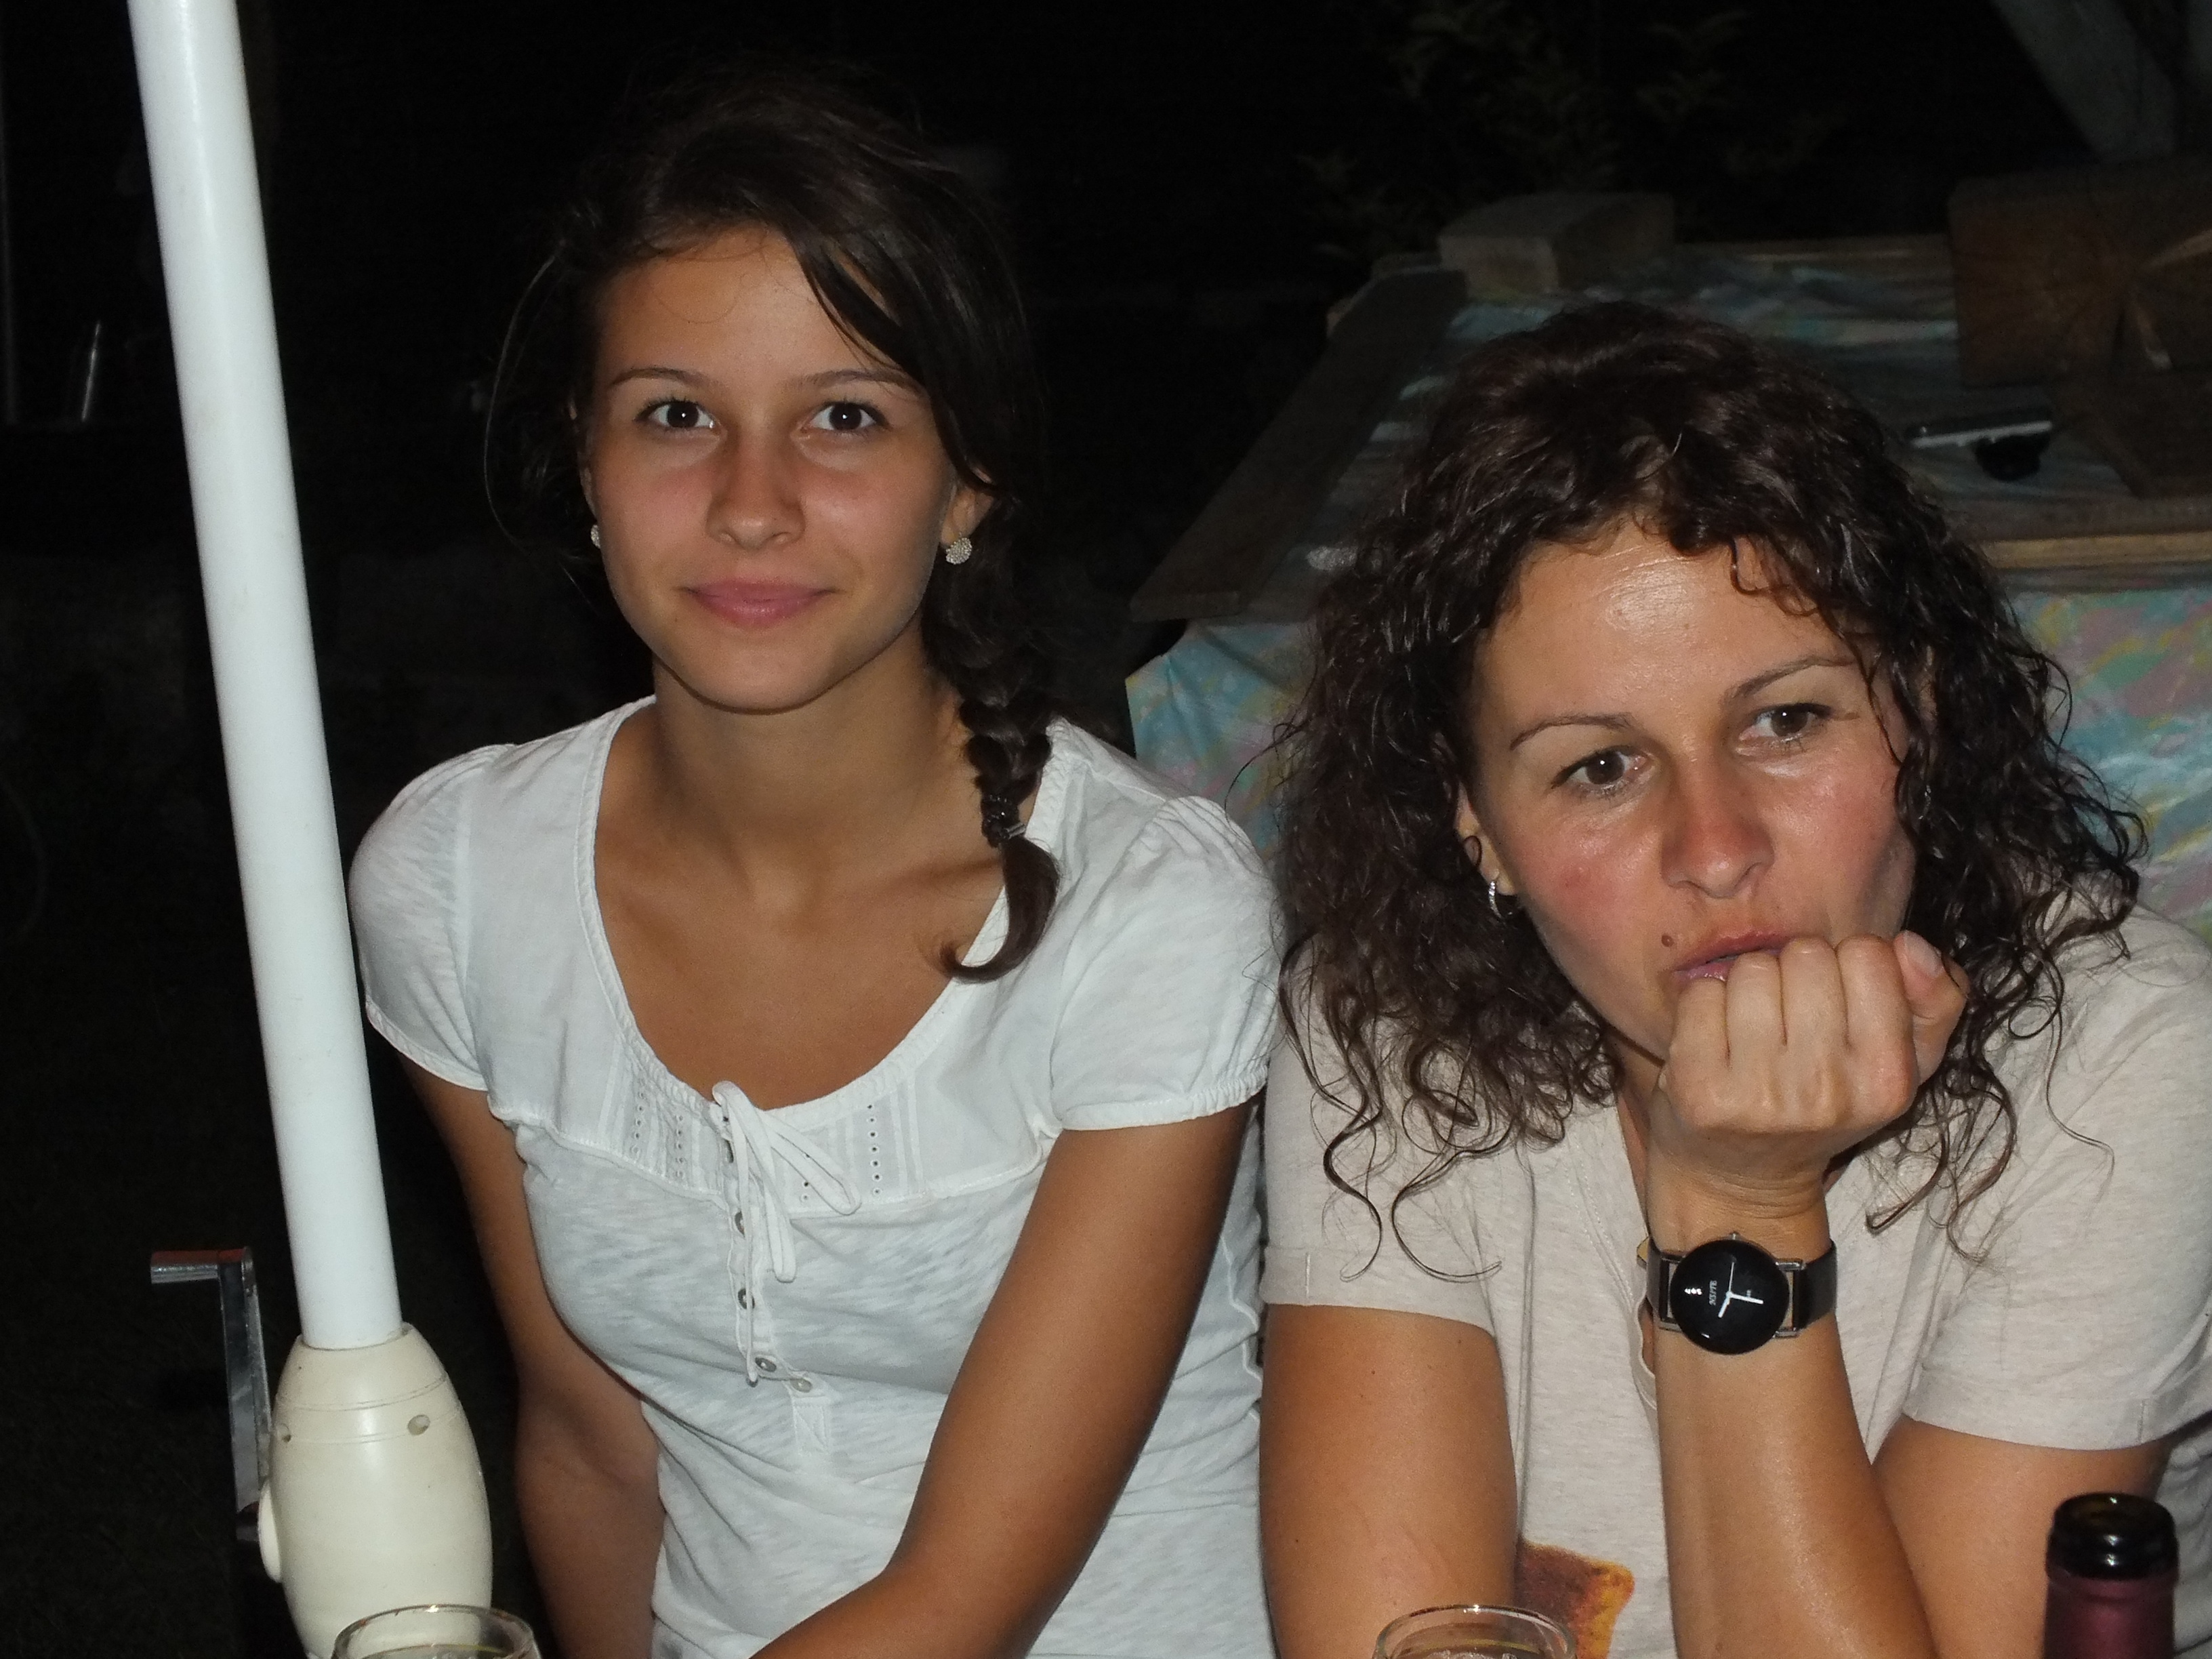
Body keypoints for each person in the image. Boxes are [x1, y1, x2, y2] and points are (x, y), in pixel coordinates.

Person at [348, 66, 1278, 1659]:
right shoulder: (456, 882)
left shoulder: (1147, 909)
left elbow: (967, 1596)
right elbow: (589, 1438)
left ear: (966, 478)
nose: (751, 504)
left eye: (843, 417)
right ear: (586, 464)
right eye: (675, 415)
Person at [1258, 301, 2212, 1659]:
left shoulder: (2124, 1058)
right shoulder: (1386, 1025)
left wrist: (1735, 1213)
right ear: (1478, 825)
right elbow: (1394, 1638)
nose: (1715, 850)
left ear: (1920, 713)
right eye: (1601, 766)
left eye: (1785, 720)